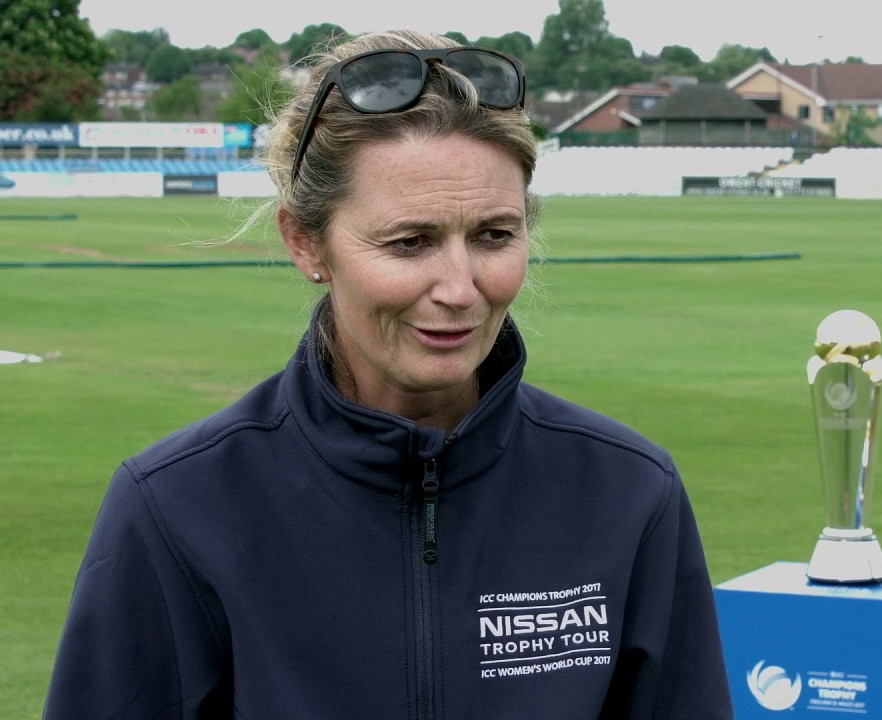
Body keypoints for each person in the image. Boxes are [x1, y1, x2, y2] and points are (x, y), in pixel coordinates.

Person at [44, 30, 732, 719]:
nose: (459, 288)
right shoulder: (176, 507)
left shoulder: (628, 492)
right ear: (305, 242)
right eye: (410, 242)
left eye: (494, 235)